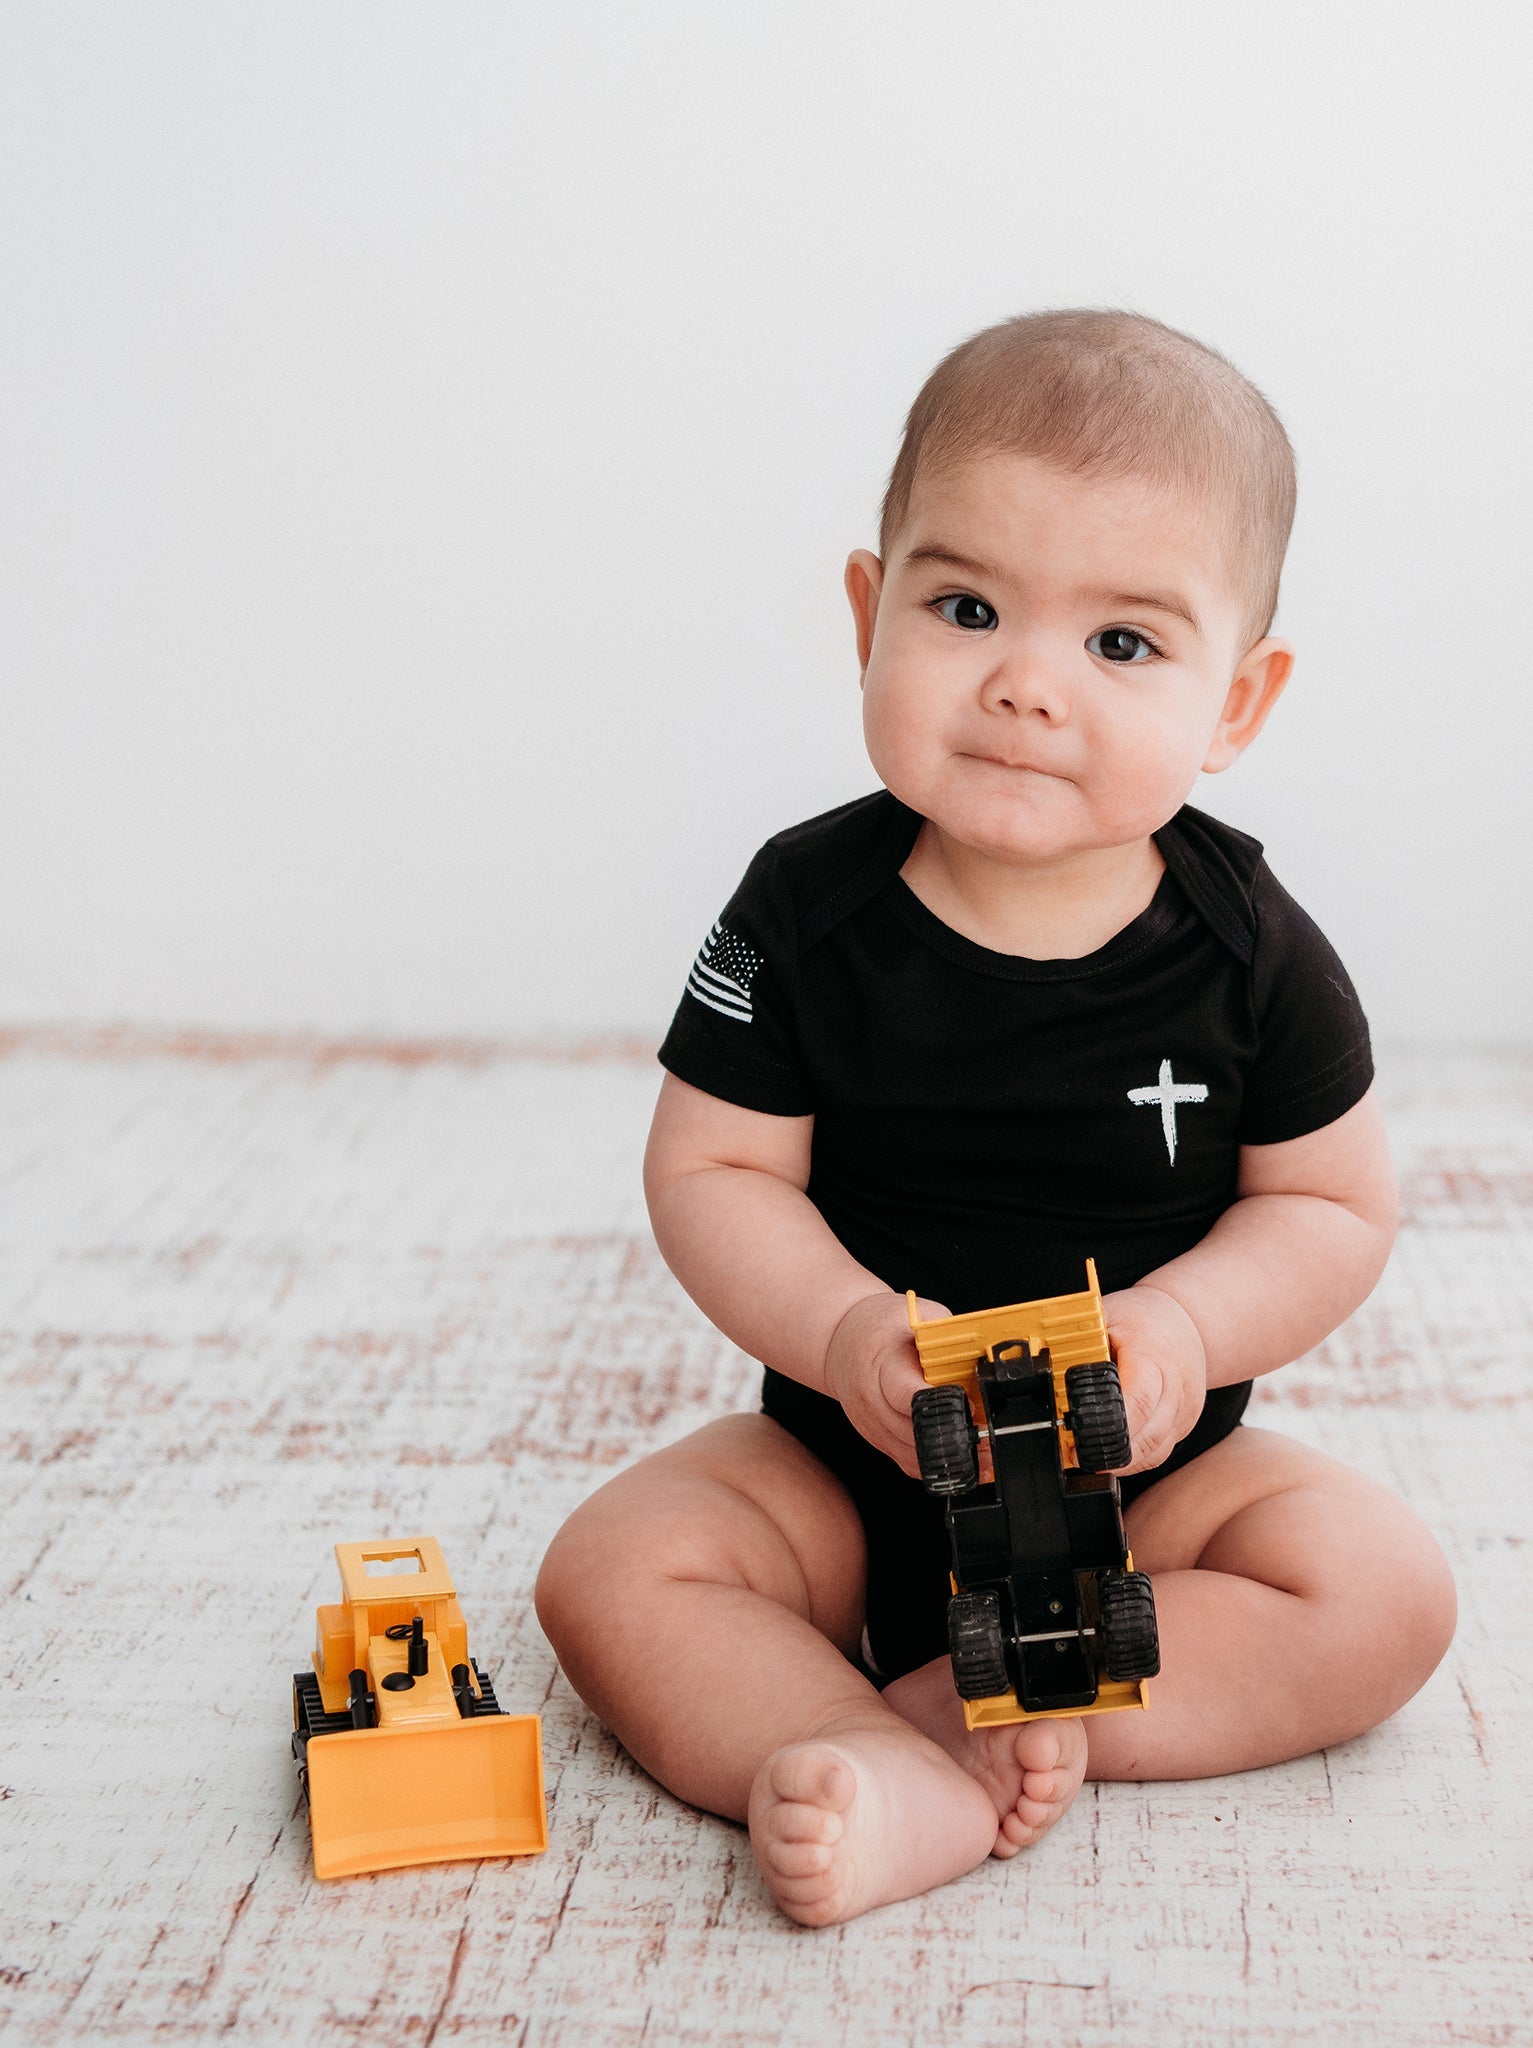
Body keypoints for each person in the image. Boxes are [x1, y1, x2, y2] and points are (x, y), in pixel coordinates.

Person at [535, 309, 1457, 1926]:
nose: (1027, 685)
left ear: (1237, 704)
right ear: (867, 613)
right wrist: (844, 1336)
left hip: (1146, 1505)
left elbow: (1331, 1208)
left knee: (1383, 1592)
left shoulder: (1249, 950)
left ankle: (986, 1710)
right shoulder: (803, 910)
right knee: (610, 1571)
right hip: (845, 1476)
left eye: (1124, 645)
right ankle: (855, 1745)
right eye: (966, 609)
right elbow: (715, 1168)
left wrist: (1184, 1333)